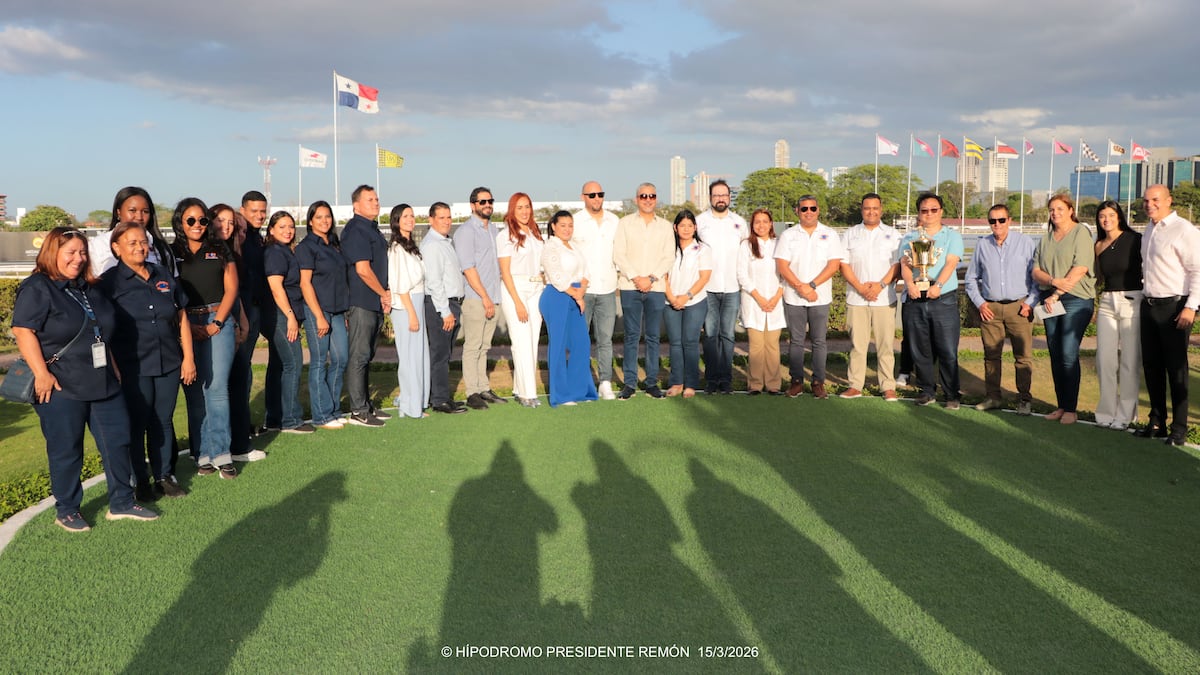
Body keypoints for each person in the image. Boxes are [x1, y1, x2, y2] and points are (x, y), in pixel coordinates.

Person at [12, 227, 159, 530]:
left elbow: (100, 330)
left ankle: (121, 502)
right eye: (71, 253)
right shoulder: (38, 287)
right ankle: (67, 509)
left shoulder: (87, 287)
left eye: (82, 252)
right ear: (52, 253)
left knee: (117, 441)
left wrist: (114, 366)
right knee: (67, 449)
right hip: (61, 384)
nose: (78, 259)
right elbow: (23, 330)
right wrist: (41, 373)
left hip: (103, 380)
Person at [99, 222, 196, 501]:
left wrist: (188, 358)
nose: (140, 247)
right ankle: (139, 480)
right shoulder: (109, 283)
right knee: (137, 423)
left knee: (162, 421)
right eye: (132, 243)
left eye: (143, 242)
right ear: (116, 248)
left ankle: (164, 476)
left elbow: (181, 318)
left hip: (168, 361)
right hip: (133, 366)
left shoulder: (162, 274)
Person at [172, 197, 240, 478]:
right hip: (186, 322)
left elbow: (232, 288)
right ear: (180, 222)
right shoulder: (171, 252)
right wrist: (188, 326)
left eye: (202, 220)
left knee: (217, 388)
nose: (197, 225)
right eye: (191, 220)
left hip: (217, 319)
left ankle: (222, 453)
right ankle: (202, 454)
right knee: (194, 391)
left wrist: (217, 323)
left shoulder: (219, 248)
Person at [1138, 184, 1200, 446]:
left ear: (1168, 201)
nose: (1149, 204)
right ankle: (1157, 421)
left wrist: (1191, 306)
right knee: (1152, 366)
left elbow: (1197, 270)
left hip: (1174, 307)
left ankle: (1179, 428)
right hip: (1149, 305)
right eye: (1146, 200)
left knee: (1176, 370)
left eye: (1155, 199)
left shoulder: (1183, 229)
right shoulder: (1149, 230)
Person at [964, 204, 1038, 415]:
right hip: (990, 308)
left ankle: (1024, 399)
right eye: (992, 221)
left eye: (1001, 220)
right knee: (991, 356)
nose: (997, 224)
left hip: (1019, 307)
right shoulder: (982, 245)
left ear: (1010, 220)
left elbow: (1036, 277)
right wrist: (980, 303)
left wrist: (1030, 303)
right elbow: (971, 278)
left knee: (1022, 356)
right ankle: (993, 397)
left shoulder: (1025, 242)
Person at [1033, 194, 1095, 425]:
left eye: (1060, 208)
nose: (1055, 213)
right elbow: (1035, 270)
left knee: (1068, 352)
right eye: (1051, 209)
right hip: (1050, 298)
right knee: (1055, 352)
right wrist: (1052, 282)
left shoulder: (1081, 233)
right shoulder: (1046, 238)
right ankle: (1061, 405)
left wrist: (1057, 291)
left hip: (1076, 299)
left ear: (1070, 210)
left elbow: (1081, 267)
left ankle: (1071, 408)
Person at [775, 195, 845, 399]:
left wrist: (811, 286)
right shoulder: (788, 235)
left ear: (818, 210)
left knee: (819, 341)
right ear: (797, 211)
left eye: (812, 208)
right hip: (794, 296)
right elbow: (782, 265)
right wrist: (800, 287)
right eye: (804, 208)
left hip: (820, 296)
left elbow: (834, 265)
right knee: (796, 341)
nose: (808, 212)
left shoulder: (830, 234)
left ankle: (818, 382)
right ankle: (796, 381)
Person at [898, 192, 964, 408]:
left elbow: (951, 263)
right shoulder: (909, 238)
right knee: (919, 349)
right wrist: (909, 285)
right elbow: (905, 265)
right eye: (924, 210)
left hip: (942, 298)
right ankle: (927, 390)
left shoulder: (951, 236)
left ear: (941, 212)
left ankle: (951, 394)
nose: (929, 214)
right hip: (915, 299)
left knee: (947, 349)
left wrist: (938, 286)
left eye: (933, 210)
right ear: (919, 213)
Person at [613, 182, 674, 399]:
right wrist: (636, 278)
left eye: (652, 196)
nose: (648, 199)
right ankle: (629, 383)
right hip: (630, 287)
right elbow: (619, 254)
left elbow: (669, 257)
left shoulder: (666, 226)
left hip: (656, 288)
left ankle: (651, 383)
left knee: (653, 337)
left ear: (656, 198)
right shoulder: (625, 224)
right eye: (643, 196)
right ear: (636, 199)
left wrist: (650, 278)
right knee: (631, 336)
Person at [839, 193, 901, 401]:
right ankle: (855, 384)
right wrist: (860, 287)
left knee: (885, 345)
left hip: (884, 298)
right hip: (856, 299)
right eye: (867, 208)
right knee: (858, 345)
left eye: (875, 208)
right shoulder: (850, 234)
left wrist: (880, 285)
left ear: (881, 209)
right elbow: (843, 264)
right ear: (861, 210)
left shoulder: (893, 234)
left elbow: (898, 265)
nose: (871, 212)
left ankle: (888, 386)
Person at [297, 200, 351, 429]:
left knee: (341, 359)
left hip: (338, 310)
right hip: (317, 310)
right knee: (319, 362)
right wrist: (318, 316)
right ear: (310, 221)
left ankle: (334, 409)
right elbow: (305, 284)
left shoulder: (334, 245)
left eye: (327, 216)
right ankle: (321, 414)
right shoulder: (306, 247)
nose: (324, 220)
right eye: (319, 217)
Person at [340, 184, 390, 427]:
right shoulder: (356, 229)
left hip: (374, 302)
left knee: (367, 355)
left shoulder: (372, 229)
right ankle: (358, 410)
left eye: (377, 199)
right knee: (359, 356)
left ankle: (366, 405)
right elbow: (362, 269)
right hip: (362, 301)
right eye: (370, 199)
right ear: (356, 205)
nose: (376, 202)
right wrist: (383, 293)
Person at [456, 186, 508, 409]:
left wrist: (493, 298)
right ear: (473, 205)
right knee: (473, 346)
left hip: (493, 298)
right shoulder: (466, 232)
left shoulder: (494, 230)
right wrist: (485, 298)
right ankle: (472, 392)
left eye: (490, 201)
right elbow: (468, 268)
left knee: (485, 346)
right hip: (477, 299)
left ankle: (483, 388)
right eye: (482, 202)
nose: (487, 205)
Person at [1093, 200, 1142, 430]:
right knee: (1105, 360)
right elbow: (1097, 279)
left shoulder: (1135, 240)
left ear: (1119, 216)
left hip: (1132, 301)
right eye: (1102, 216)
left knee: (1130, 361)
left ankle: (1125, 415)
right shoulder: (1099, 245)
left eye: (1111, 215)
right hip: (1106, 302)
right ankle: (1106, 413)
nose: (1106, 219)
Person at [263, 210, 313, 434]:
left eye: (291, 226)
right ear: (271, 229)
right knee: (293, 363)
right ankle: (290, 419)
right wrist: (291, 316)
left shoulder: (284, 251)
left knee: (279, 365)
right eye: (282, 226)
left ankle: (274, 418)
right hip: (281, 315)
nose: (288, 230)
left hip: (284, 314)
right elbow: (275, 287)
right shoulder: (275, 252)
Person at [540, 211, 598, 406]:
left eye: (570, 225)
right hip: (557, 296)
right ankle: (561, 395)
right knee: (558, 345)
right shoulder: (550, 247)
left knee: (581, 343)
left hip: (574, 296)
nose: (567, 229)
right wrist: (576, 295)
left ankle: (580, 391)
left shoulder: (574, 247)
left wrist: (580, 292)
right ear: (554, 226)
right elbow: (556, 276)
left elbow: (586, 272)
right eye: (563, 225)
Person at [696, 179, 747, 394]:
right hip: (707, 287)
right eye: (716, 195)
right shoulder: (700, 222)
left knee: (727, 335)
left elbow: (747, 252)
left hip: (732, 287)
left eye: (724, 195)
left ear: (729, 197)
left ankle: (725, 379)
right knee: (710, 335)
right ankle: (711, 379)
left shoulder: (739, 222)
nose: (720, 199)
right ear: (710, 198)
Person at [497, 192, 546, 407]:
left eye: (527, 207)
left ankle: (519, 388)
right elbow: (505, 272)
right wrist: (517, 301)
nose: (524, 211)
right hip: (515, 289)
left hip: (537, 289)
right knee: (521, 342)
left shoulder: (535, 233)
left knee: (532, 341)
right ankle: (528, 394)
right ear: (512, 210)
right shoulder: (505, 235)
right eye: (519, 207)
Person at [572, 181, 620, 399]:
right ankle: (580, 382)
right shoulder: (575, 221)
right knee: (580, 339)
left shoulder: (614, 221)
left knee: (605, 339)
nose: (596, 198)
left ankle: (605, 382)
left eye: (600, 194)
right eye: (592, 195)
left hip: (608, 288)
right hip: (583, 290)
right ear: (583, 197)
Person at [229, 192, 269, 453]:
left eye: (262, 211)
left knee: (245, 370)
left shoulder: (256, 238)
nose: (259, 215)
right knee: (238, 373)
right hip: (238, 312)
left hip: (254, 310)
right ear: (242, 209)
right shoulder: (237, 240)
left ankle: (242, 425)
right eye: (254, 210)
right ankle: (236, 431)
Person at [386, 203, 431, 419]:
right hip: (407, 305)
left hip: (416, 301)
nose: (410, 219)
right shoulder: (397, 249)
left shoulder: (410, 246)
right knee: (409, 357)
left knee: (418, 355)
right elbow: (400, 284)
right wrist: (412, 313)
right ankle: (410, 406)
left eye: (412, 216)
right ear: (396, 220)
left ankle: (413, 402)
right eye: (405, 216)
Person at [422, 202, 467, 414]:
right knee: (439, 355)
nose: (447, 222)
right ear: (431, 220)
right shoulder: (432, 245)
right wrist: (445, 311)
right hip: (442, 305)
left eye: (448, 217)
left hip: (452, 303)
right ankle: (439, 400)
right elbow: (434, 282)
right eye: (441, 218)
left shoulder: (445, 242)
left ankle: (442, 396)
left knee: (445, 354)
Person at [663, 210, 712, 398]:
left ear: (695, 228)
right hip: (671, 302)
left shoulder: (702, 249)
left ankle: (691, 383)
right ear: (675, 228)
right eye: (682, 225)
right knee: (675, 343)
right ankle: (677, 382)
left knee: (690, 343)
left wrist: (686, 296)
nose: (686, 229)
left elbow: (704, 277)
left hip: (695, 302)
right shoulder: (668, 249)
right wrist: (672, 297)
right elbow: (663, 276)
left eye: (689, 226)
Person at [736, 208, 785, 395]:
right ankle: (755, 384)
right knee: (756, 346)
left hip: (775, 302)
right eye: (757, 222)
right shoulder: (746, 246)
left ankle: (773, 385)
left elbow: (785, 274)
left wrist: (774, 298)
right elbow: (742, 274)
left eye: (765, 221)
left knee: (772, 345)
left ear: (771, 223)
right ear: (752, 224)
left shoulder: (779, 244)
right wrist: (759, 297)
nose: (761, 225)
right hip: (753, 301)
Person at [89, 186, 176, 278]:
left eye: (145, 211)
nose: (139, 217)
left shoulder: (161, 248)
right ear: (118, 212)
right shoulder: (97, 246)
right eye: (132, 210)